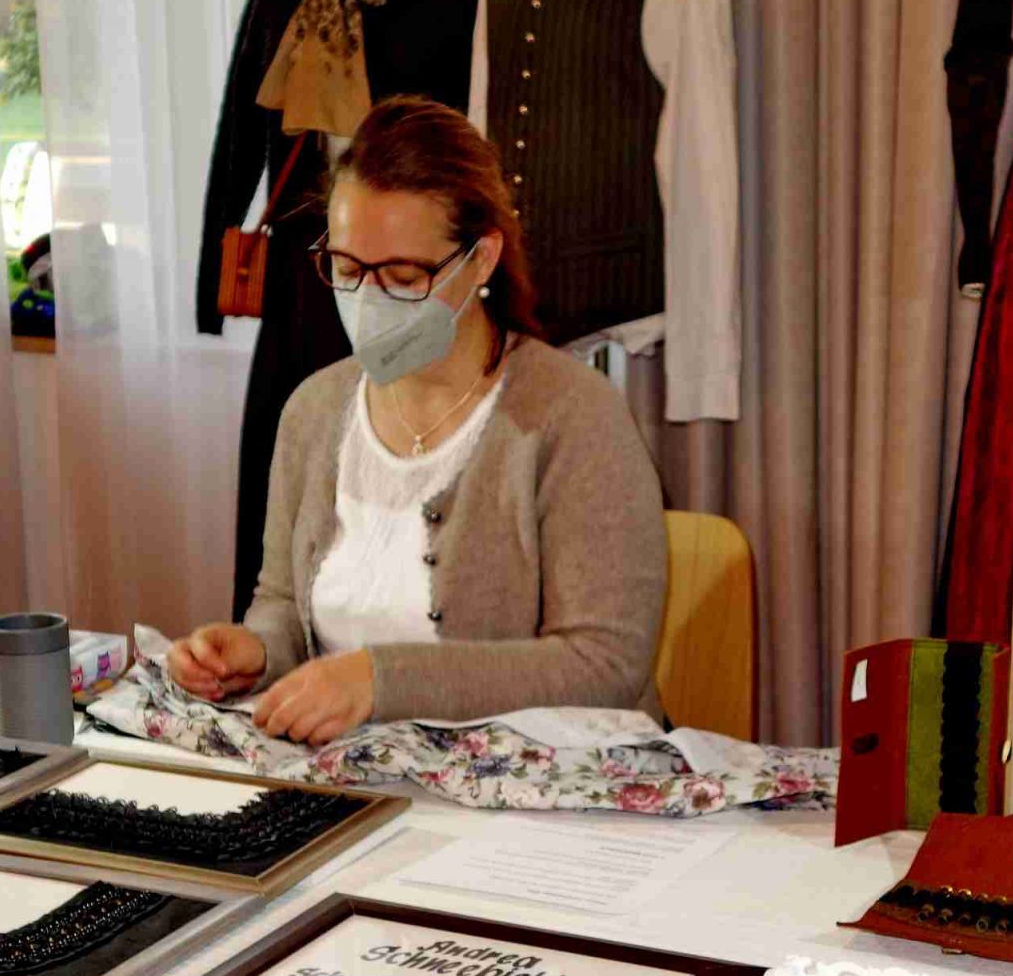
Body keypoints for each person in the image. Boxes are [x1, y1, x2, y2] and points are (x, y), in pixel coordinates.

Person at [168, 95, 668, 744]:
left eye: (403, 276)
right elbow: (284, 606)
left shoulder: (573, 417)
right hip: (369, 776)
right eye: (346, 268)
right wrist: (255, 651)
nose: (367, 299)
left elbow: (604, 665)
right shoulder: (313, 411)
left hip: (546, 780)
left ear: (482, 259)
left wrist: (379, 681)